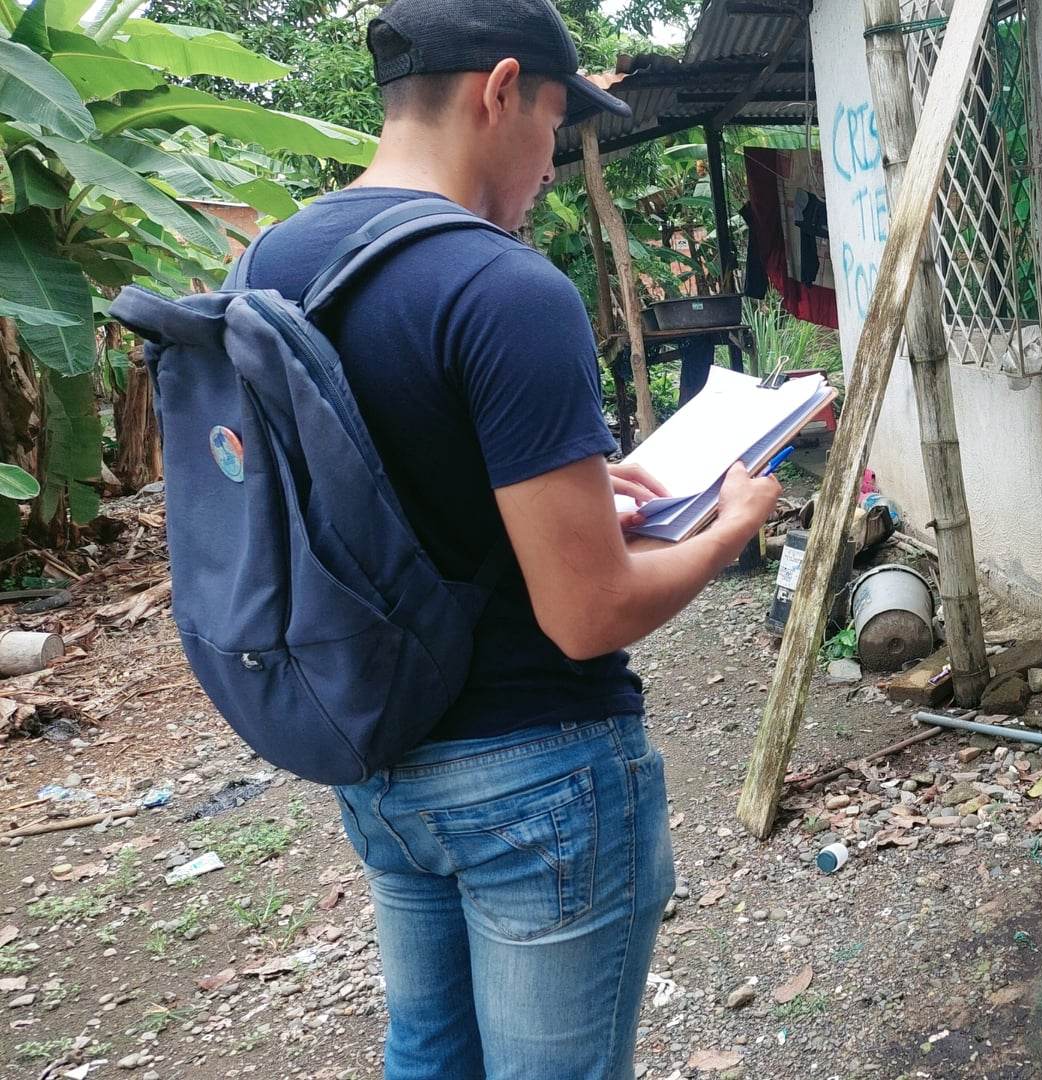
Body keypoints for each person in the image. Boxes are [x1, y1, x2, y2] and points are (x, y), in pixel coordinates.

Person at [238, 0, 781, 1074]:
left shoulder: (268, 265)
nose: (550, 165)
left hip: (375, 756)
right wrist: (729, 529)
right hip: (537, 779)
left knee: (429, 1055)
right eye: (552, 125)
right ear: (499, 91)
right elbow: (589, 615)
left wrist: (557, 483)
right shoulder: (504, 286)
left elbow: (374, 481)